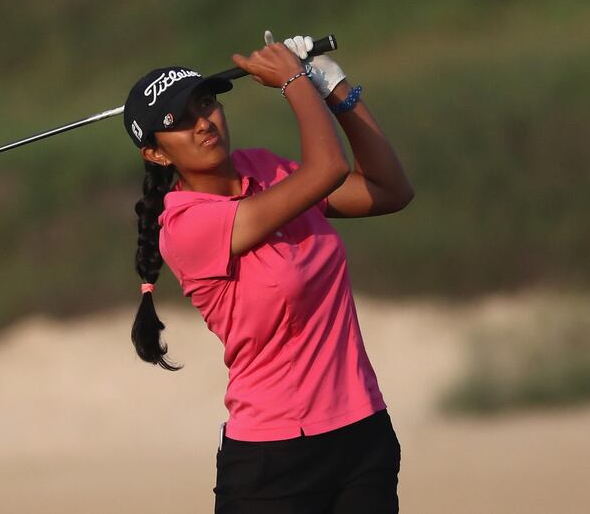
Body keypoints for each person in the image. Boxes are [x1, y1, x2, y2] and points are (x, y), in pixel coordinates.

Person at [123, 30, 414, 514]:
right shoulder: (185, 225)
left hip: (363, 432)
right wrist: (294, 80)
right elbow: (327, 168)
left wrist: (335, 87)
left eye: (206, 103)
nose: (203, 123)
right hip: (274, 460)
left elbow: (389, 190)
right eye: (179, 120)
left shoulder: (266, 168)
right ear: (156, 153)